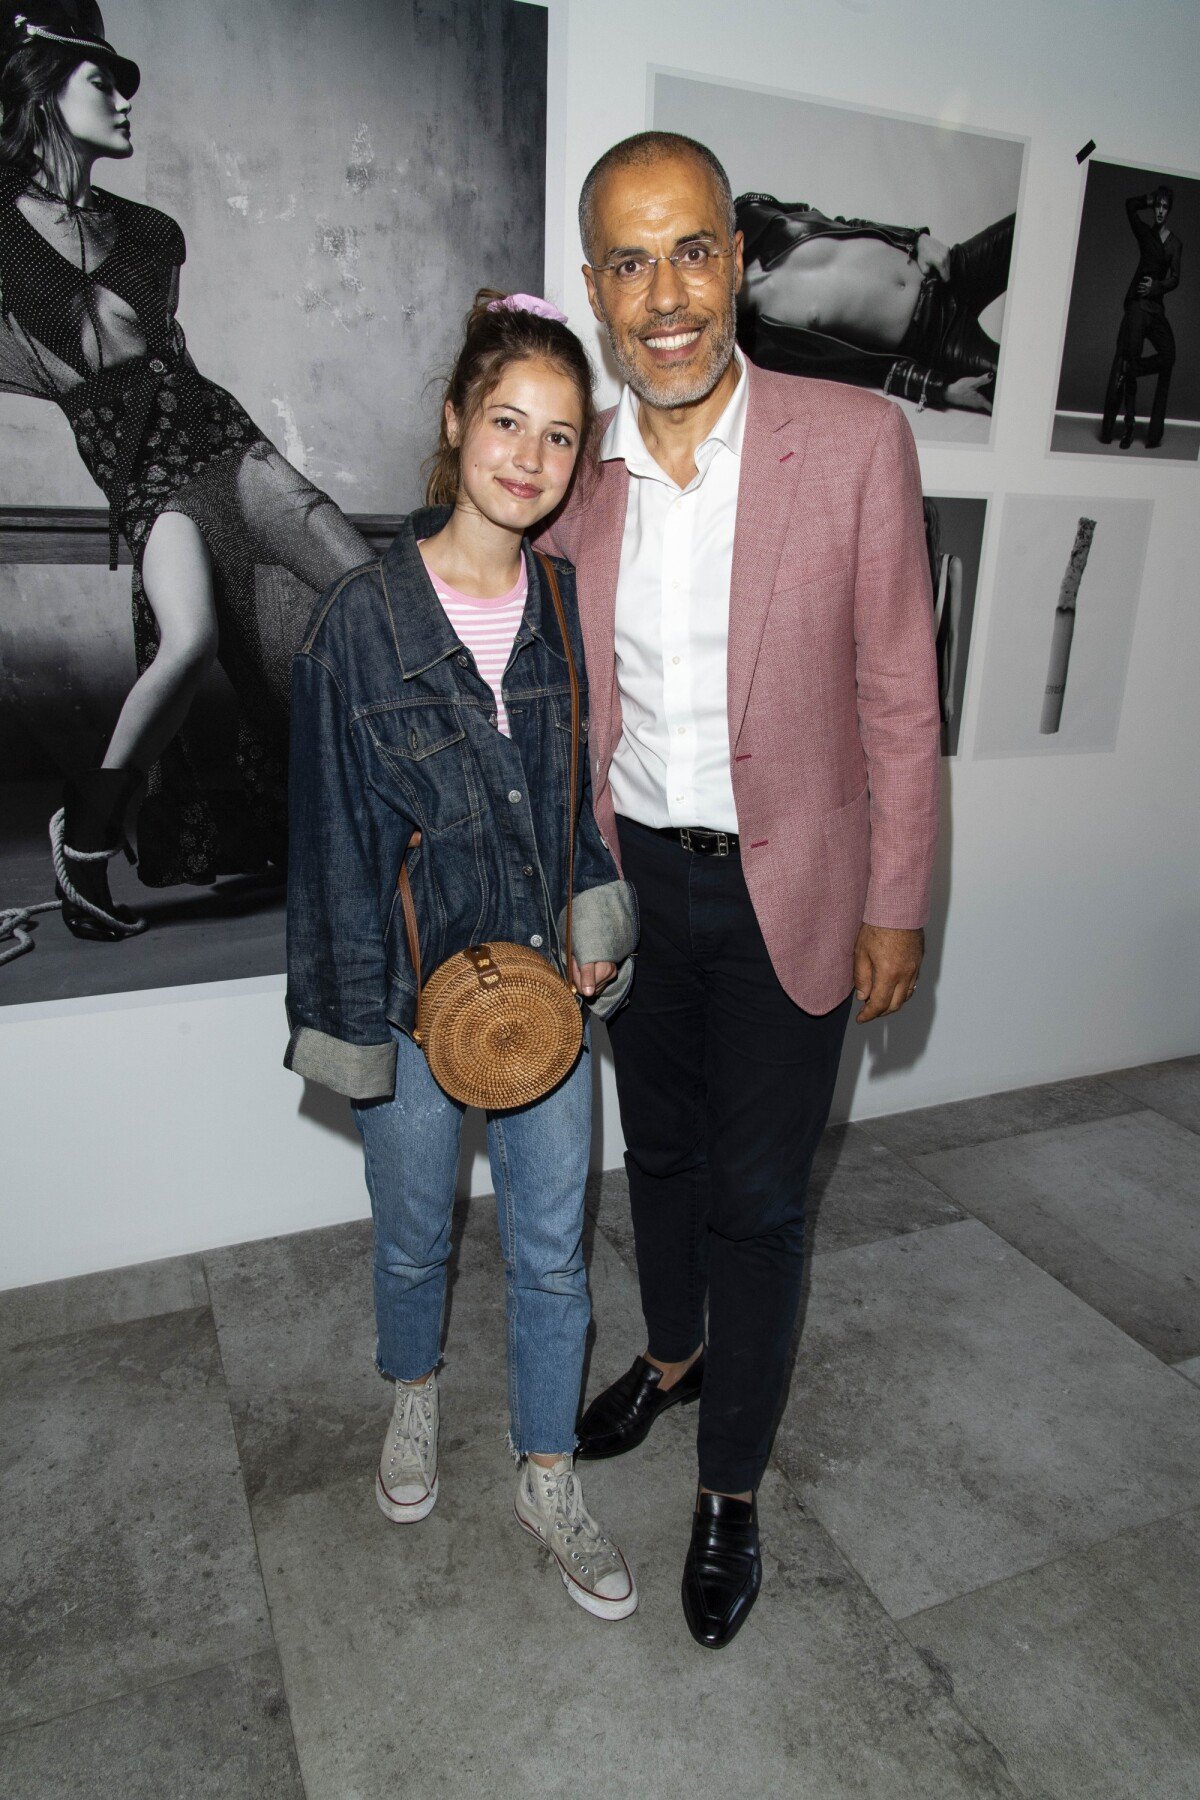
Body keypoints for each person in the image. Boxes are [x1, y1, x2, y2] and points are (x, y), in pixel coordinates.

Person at [539, 131, 940, 1649]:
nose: (665, 294)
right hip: (640, 886)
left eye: (690, 249)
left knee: (764, 1203)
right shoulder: (580, 476)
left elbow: (902, 695)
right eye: (629, 262)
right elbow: (566, 706)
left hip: (798, 892)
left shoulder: (853, 442)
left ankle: (729, 1491)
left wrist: (896, 901)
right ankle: (676, 1350)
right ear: (596, 288)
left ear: (740, 260)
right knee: (666, 1161)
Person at [284, 290, 641, 1623]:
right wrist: (356, 1035)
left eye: (558, 438)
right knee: (417, 1233)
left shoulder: (561, 601)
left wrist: (598, 923)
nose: (528, 460)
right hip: (411, 1003)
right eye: (506, 422)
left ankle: (545, 1471)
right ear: (454, 422)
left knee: (555, 1253)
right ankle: (413, 1397)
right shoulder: (359, 621)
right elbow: (329, 852)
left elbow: (574, 801)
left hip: (547, 1000)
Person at [0, 3, 372, 939]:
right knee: (190, 642)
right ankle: (84, 840)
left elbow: (158, 358)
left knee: (365, 595)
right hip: (144, 475)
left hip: (219, 446)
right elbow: (80, 364)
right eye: (104, 80)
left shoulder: (152, 231)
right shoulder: (0, 236)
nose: (127, 100)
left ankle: (383, 826)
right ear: (41, 85)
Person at [735, 191, 1014, 416]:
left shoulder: (751, 215)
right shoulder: (763, 347)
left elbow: (846, 225)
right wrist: (943, 390)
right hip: (940, 341)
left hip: (951, 270)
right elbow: (863, 368)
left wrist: (917, 239)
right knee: (1026, 390)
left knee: (1041, 223)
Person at [1100, 186, 1181, 450]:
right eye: (1157, 206)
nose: (1159, 211)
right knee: (1129, 354)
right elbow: (1128, 205)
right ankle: (1129, 426)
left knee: (1168, 355)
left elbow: (1175, 279)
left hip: (1155, 310)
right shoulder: (1145, 234)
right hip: (1136, 306)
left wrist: (1155, 286)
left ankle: (1153, 428)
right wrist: (1150, 198)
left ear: (1170, 210)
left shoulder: (1175, 243)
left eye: (1164, 207)